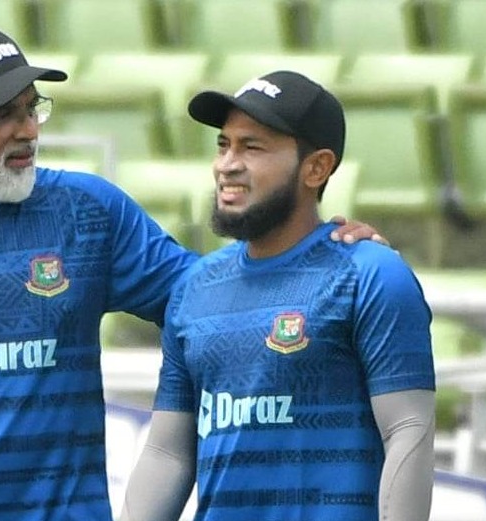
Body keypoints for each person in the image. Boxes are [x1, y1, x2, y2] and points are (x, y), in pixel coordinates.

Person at [0, 25, 387, 521]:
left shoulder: (90, 213)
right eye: (0, 116)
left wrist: (320, 248)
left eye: (32, 107)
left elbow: (216, 303)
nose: (28, 129)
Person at [120, 71, 436, 521]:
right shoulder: (195, 287)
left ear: (316, 167)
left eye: (252, 147)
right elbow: (168, 453)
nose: (227, 164)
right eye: (223, 144)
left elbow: (408, 431)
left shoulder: (372, 275)